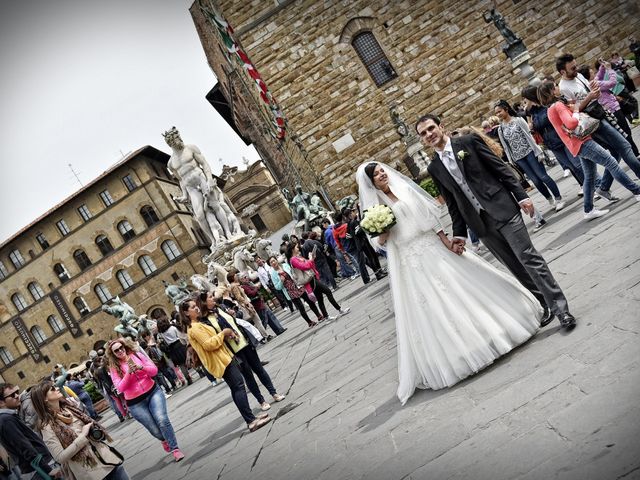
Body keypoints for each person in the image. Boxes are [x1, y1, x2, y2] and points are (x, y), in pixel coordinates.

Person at [356, 161, 543, 404]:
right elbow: (378, 243)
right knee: (434, 305)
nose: (382, 175)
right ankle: (460, 354)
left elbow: (429, 217)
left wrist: (446, 240)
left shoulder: (405, 190)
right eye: (376, 175)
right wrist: (384, 228)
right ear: (371, 182)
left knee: (464, 285)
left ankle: (496, 331)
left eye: (382, 171)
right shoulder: (373, 208)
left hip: (431, 246)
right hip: (411, 259)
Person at [416, 113, 576, 329]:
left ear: (441, 127)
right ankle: (543, 303)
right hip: (480, 223)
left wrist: (522, 196)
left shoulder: (468, 142)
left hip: (503, 208)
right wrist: (459, 235)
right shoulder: (435, 168)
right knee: (515, 267)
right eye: (423, 133)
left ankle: (561, 310)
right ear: (422, 140)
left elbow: (500, 169)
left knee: (527, 257)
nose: (429, 134)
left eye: (431, 128)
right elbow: (453, 203)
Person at [537, 81, 640, 218]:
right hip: (582, 142)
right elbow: (571, 123)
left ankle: (588, 210)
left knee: (590, 176)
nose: (558, 88)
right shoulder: (558, 105)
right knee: (611, 163)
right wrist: (574, 111)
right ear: (551, 91)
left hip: (575, 144)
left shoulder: (550, 109)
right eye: (555, 86)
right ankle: (637, 191)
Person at [557, 53, 640, 201]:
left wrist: (592, 89)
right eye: (572, 68)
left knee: (615, 153)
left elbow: (589, 91)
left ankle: (603, 188)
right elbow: (572, 111)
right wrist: (589, 97)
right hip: (592, 123)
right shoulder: (563, 88)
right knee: (625, 146)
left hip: (599, 114)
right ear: (562, 72)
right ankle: (636, 189)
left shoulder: (578, 77)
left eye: (576, 65)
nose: (576, 69)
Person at [180, 299, 271, 432]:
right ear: (186, 313)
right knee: (239, 387)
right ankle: (251, 421)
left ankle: (250, 417)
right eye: (193, 307)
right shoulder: (194, 328)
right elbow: (208, 345)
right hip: (220, 361)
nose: (197, 308)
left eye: (196, 306)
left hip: (223, 358)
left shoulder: (196, 325)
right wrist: (223, 333)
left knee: (236, 388)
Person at [197, 292, 286, 411]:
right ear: (204, 302)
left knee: (259, 369)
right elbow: (213, 337)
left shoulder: (221, 308)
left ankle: (274, 393)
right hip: (233, 350)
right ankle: (261, 401)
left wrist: (234, 313)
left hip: (245, 342)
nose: (213, 298)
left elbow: (237, 317)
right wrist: (224, 333)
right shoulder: (205, 321)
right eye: (210, 297)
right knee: (248, 376)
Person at [30, 380, 129, 480]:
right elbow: (60, 457)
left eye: (55, 386)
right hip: (89, 469)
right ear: (44, 399)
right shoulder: (47, 426)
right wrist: (83, 436)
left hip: (106, 458)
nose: (56, 388)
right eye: (52, 389)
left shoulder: (70, 408)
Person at [105, 338, 184, 462]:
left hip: (153, 392)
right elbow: (120, 388)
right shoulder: (114, 368)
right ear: (113, 354)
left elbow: (154, 371)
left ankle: (175, 449)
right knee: (154, 430)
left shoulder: (137, 355)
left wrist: (141, 367)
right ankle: (164, 440)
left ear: (125, 347)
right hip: (135, 403)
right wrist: (128, 373)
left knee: (162, 420)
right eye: (116, 350)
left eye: (121, 348)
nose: (120, 351)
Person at [494, 100, 566, 212]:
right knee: (535, 181)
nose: (498, 114)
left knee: (543, 176)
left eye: (499, 111)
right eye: (496, 113)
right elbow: (505, 146)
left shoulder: (518, 120)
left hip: (530, 152)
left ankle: (558, 198)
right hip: (519, 158)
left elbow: (529, 136)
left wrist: (538, 151)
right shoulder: (500, 128)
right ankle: (549, 199)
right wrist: (511, 160)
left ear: (506, 109)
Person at [0, 383, 61, 479]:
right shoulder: (6, 420)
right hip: (38, 470)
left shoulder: (7, 417)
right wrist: (48, 469)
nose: (17, 396)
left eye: (16, 392)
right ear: (1, 402)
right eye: (12, 395)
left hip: (38, 468)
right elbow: (24, 447)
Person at [287, 242, 351, 321]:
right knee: (327, 291)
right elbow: (305, 266)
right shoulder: (293, 259)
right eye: (297, 247)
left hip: (312, 278)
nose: (298, 248)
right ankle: (339, 310)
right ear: (292, 249)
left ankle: (327, 317)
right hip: (310, 280)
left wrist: (311, 259)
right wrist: (310, 259)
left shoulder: (297, 257)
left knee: (320, 298)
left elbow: (310, 265)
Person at [268, 255, 323, 327]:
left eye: (274, 260)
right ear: (270, 265)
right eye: (271, 262)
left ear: (276, 260)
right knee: (301, 307)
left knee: (309, 301)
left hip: (297, 286)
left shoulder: (285, 265)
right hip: (290, 291)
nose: (273, 262)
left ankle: (319, 315)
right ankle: (309, 322)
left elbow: (293, 272)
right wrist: (281, 281)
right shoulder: (273, 274)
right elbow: (277, 287)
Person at [238, 273, 286, 337]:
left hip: (260, 302)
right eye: (244, 277)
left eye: (246, 276)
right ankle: (261, 335)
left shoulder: (249, 283)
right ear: (241, 280)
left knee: (270, 316)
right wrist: (256, 288)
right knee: (263, 320)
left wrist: (256, 288)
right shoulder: (244, 287)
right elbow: (251, 293)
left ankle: (279, 329)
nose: (246, 278)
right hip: (257, 304)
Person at [156, 317, 192, 386]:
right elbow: (179, 335)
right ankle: (199, 371)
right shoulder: (173, 328)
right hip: (179, 344)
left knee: (181, 365)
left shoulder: (161, 334)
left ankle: (188, 378)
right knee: (188, 359)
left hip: (172, 349)